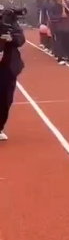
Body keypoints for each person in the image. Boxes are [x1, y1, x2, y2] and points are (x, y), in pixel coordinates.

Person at [0, 9, 26, 141]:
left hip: (7, 65)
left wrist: (11, 38)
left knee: (6, 99)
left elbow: (21, 38)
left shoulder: (9, 20)